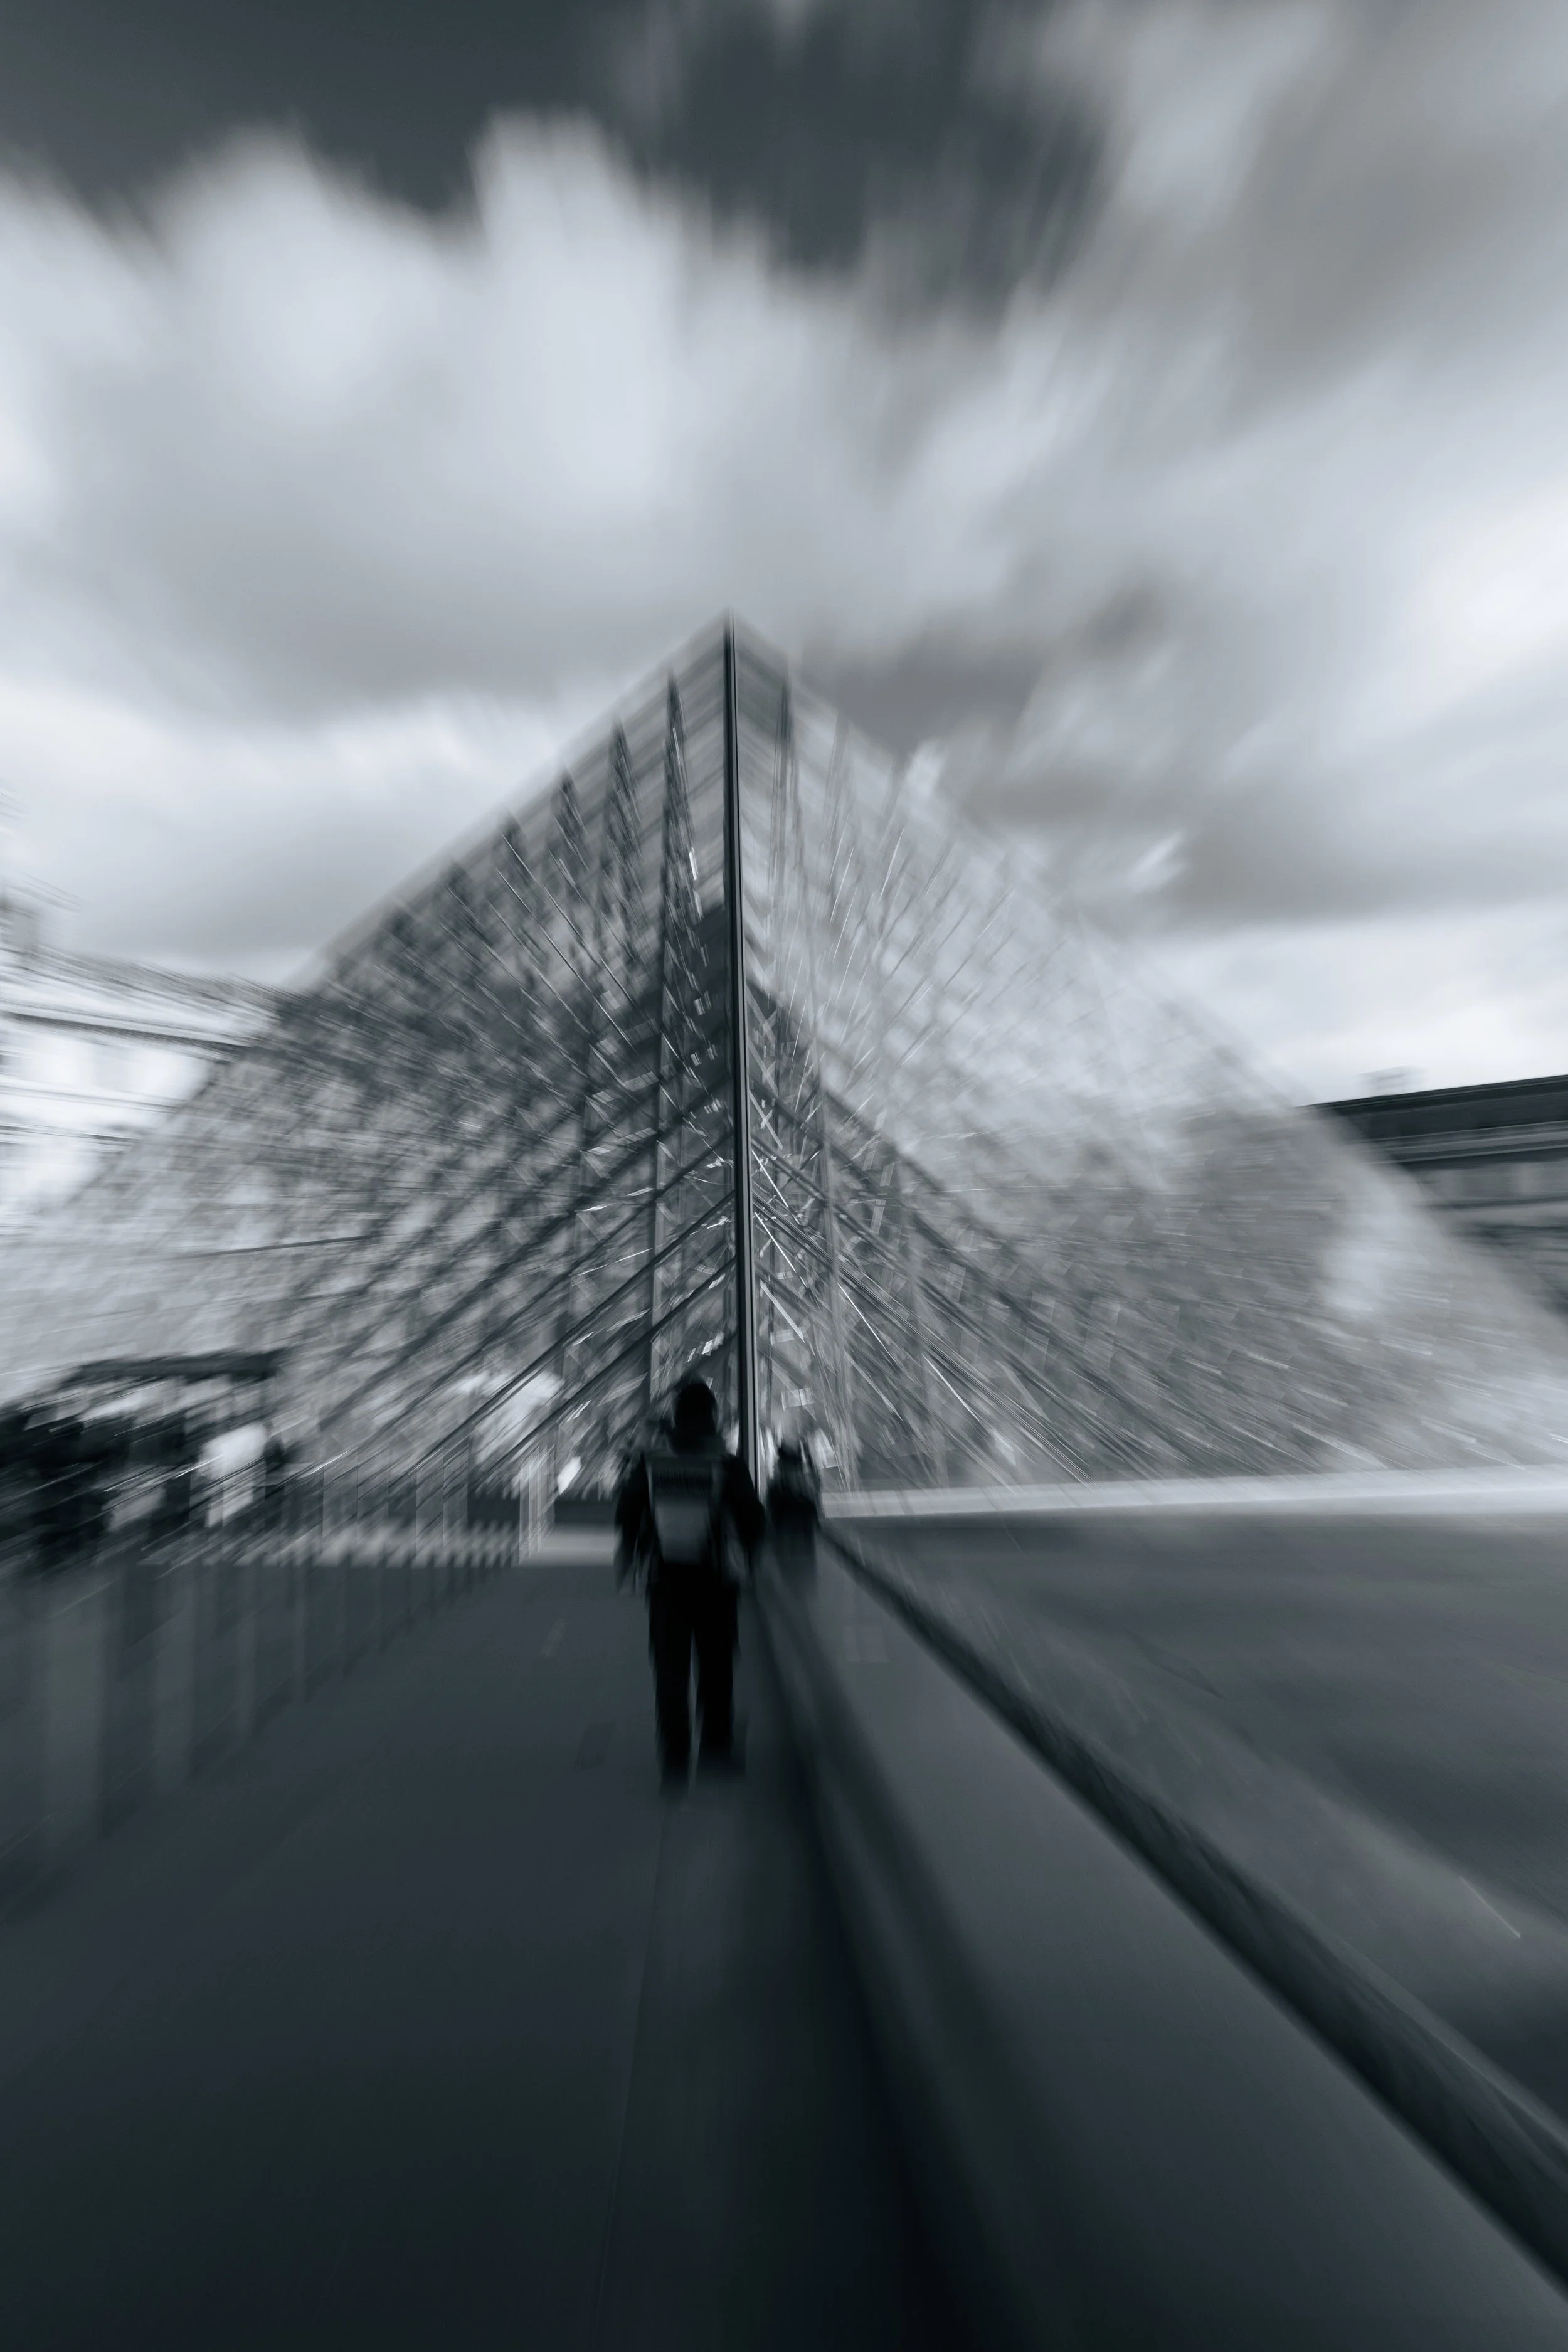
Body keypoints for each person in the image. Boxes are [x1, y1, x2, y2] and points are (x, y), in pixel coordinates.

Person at [615, 1378, 765, 1788]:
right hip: (716, 1583)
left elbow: (627, 1513)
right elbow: (753, 1520)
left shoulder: (653, 1462)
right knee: (716, 1668)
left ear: (677, 1417)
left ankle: (675, 1761)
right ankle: (716, 1750)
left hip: (665, 1582)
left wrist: (634, 1549)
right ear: (713, 1416)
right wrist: (749, 1556)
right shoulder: (727, 1463)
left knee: (670, 1670)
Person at [766, 1429, 822, 1566]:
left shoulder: (777, 1489)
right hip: (802, 1551)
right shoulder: (805, 1488)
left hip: (787, 1550)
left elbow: (771, 1519)